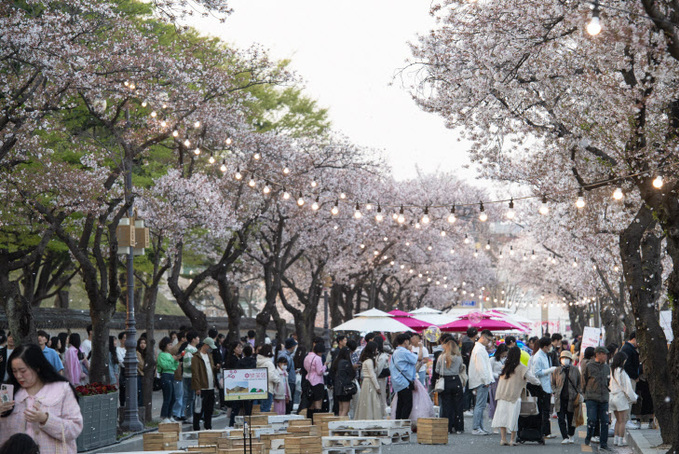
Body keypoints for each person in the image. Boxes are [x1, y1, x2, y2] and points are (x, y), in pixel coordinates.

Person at [0, 344, 83, 453]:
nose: (18, 375)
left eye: (23, 371)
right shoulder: (8, 392)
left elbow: (75, 429)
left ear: (37, 367)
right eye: (14, 371)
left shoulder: (62, 390)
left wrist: (46, 419)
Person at [491, 346, 540, 446]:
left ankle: (503, 439)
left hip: (502, 395)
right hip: (514, 396)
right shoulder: (521, 368)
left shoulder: (505, 367)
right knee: (513, 418)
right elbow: (533, 379)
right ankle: (512, 440)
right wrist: (539, 383)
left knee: (502, 417)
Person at [583, 346, 612, 451]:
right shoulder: (589, 366)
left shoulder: (607, 367)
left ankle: (603, 443)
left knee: (604, 421)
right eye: (604, 354)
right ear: (598, 354)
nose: (606, 356)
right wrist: (585, 393)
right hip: (591, 397)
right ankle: (588, 437)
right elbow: (584, 380)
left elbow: (609, 382)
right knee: (592, 419)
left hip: (604, 397)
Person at [551, 350, 582, 444]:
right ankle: (565, 437)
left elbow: (579, 383)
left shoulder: (575, 370)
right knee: (561, 418)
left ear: (570, 360)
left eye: (567, 358)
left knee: (571, 418)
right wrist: (555, 391)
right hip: (559, 398)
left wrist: (578, 393)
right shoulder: (557, 370)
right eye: (563, 358)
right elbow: (553, 383)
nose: (565, 360)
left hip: (572, 398)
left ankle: (571, 435)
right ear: (560, 359)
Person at [435, 336, 464, 434]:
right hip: (456, 380)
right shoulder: (459, 357)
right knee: (458, 405)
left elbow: (437, 370)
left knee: (447, 405)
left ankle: (447, 428)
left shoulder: (441, 356)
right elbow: (460, 369)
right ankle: (458, 427)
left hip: (445, 381)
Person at [468, 329, 494, 435]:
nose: (489, 342)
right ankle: (476, 427)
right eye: (488, 340)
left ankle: (480, 427)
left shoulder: (479, 349)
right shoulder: (479, 350)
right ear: (483, 337)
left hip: (482, 380)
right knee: (480, 405)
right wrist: (486, 380)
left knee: (481, 405)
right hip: (482, 380)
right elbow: (481, 367)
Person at [609, 351, 637, 447]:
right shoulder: (622, 372)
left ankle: (616, 440)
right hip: (620, 398)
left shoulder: (612, 370)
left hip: (612, 397)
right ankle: (620, 440)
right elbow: (628, 388)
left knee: (617, 420)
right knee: (623, 421)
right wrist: (634, 398)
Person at [532, 336, 557, 439]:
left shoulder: (546, 355)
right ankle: (544, 432)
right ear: (545, 346)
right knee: (544, 411)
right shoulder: (538, 357)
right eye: (550, 345)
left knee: (546, 410)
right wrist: (550, 370)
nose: (551, 347)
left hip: (547, 386)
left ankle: (546, 432)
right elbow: (536, 372)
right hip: (541, 387)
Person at [389, 333, 417, 420]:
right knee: (408, 404)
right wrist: (417, 348)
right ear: (405, 341)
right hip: (404, 382)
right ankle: (403, 423)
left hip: (398, 382)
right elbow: (416, 359)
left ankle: (398, 423)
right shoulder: (403, 352)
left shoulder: (395, 352)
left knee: (400, 404)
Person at [191, 338, 218, 431]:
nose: (211, 349)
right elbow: (195, 373)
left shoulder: (209, 356)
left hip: (210, 386)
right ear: (205, 345)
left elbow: (211, 368)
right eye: (210, 347)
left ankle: (208, 426)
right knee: (199, 408)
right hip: (202, 387)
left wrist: (216, 368)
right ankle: (196, 426)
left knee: (209, 409)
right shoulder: (196, 357)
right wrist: (197, 387)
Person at [355, 341, 382, 420]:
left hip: (366, 382)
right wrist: (377, 386)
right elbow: (372, 374)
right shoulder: (369, 361)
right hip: (369, 382)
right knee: (371, 402)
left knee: (366, 402)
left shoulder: (366, 360)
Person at [620, 332, 640, 429]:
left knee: (629, 399)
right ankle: (626, 420)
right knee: (629, 399)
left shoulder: (628, 348)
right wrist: (635, 376)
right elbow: (627, 365)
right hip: (629, 378)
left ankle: (627, 420)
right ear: (634, 338)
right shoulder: (628, 349)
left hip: (629, 377)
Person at [157, 336, 179, 423]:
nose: (171, 346)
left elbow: (174, 367)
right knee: (167, 396)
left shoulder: (170, 355)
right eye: (169, 345)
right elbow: (165, 366)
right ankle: (164, 415)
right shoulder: (161, 355)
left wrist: (176, 361)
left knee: (173, 397)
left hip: (171, 374)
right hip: (165, 375)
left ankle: (169, 415)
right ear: (165, 345)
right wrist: (172, 360)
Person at [304, 342, 326, 421]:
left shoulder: (307, 357)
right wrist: (325, 366)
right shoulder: (318, 358)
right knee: (318, 402)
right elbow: (319, 371)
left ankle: (310, 420)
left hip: (308, 380)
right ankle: (317, 421)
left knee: (311, 404)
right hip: (317, 382)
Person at [332, 346, 356, 417]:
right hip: (345, 388)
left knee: (341, 409)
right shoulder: (346, 363)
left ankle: (340, 422)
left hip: (338, 387)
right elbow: (352, 374)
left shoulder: (336, 362)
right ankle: (341, 424)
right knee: (345, 410)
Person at [256, 344, 280, 413]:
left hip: (260, 388)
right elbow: (270, 376)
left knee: (261, 408)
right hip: (268, 388)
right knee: (266, 409)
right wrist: (277, 379)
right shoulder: (269, 363)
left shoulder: (259, 362)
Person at [182, 331, 200, 419]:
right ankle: (189, 415)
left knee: (193, 397)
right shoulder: (189, 350)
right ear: (193, 339)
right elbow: (186, 364)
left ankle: (192, 415)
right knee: (190, 397)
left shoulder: (195, 350)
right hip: (189, 376)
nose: (198, 339)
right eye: (197, 337)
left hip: (193, 376)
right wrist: (197, 366)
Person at [277, 338, 297, 414]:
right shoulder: (284, 356)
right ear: (292, 347)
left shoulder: (289, 355)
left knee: (290, 402)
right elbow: (283, 368)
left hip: (290, 380)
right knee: (287, 403)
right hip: (287, 381)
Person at [460, 327, 478, 414]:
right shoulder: (469, 343)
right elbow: (469, 357)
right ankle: (466, 407)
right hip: (469, 367)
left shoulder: (465, 341)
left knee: (468, 387)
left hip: (467, 367)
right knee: (468, 387)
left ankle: (467, 406)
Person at [489, 343, 508, 420]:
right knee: (494, 400)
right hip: (495, 381)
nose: (504, 355)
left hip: (504, 381)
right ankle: (494, 416)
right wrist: (497, 375)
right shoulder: (492, 360)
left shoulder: (506, 360)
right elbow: (489, 371)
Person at [373, 336, 390, 416]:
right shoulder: (380, 355)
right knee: (380, 396)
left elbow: (378, 369)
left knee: (381, 396)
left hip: (380, 378)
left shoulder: (382, 355)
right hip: (380, 378)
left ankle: (382, 412)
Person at [136, 337, 147, 407]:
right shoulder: (137, 353)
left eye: (144, 343)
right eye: (141, 343)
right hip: (139, 375)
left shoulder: (146, 353)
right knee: (140, 394)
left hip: (144, 375)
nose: (143, 345)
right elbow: (142, 365)